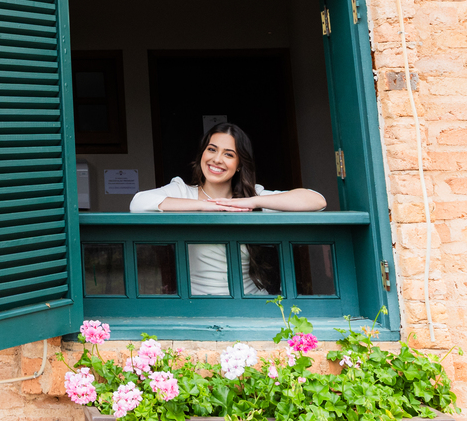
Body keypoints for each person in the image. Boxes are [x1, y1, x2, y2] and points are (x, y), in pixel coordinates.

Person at [129, 122, 325, 296]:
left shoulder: (251, 196)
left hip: (250, 302)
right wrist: (204, 206)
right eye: (212, 150)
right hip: (198, 306)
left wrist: (253, 202)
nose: (217, 159)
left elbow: (317, 201)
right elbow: (138, 203)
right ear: (202, 154)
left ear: (239, 165)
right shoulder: (182, 191)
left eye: (229, 154)